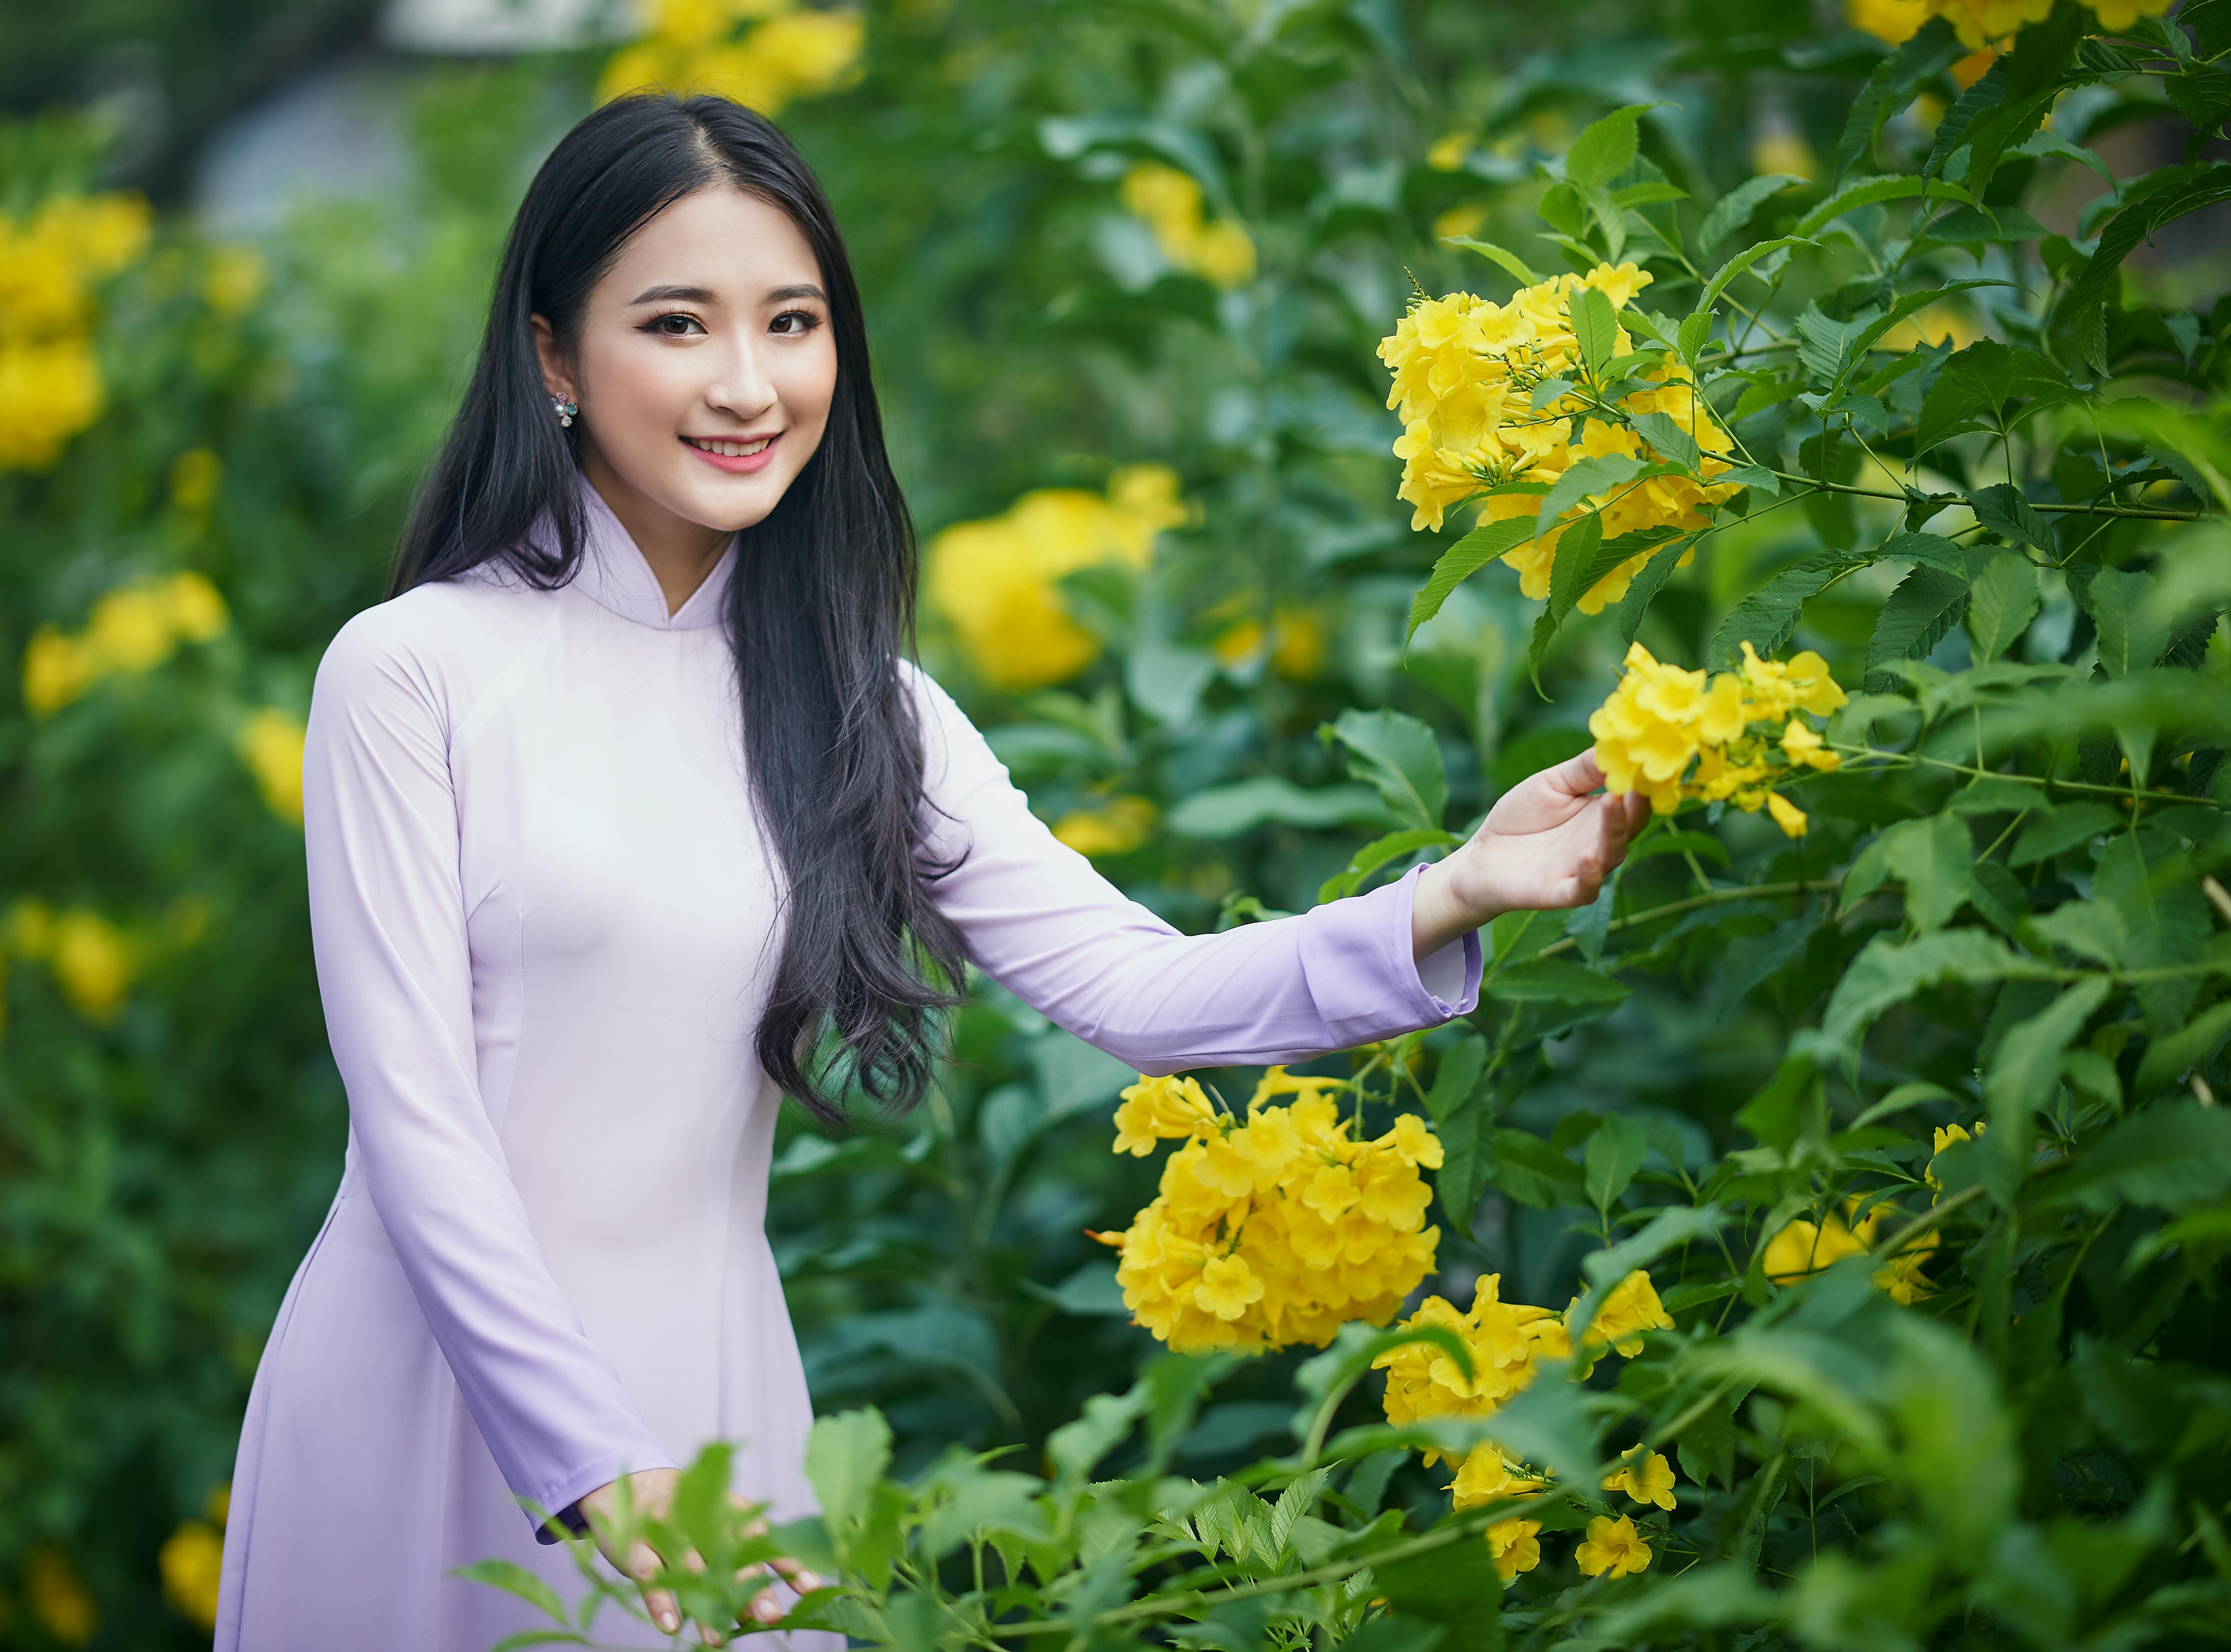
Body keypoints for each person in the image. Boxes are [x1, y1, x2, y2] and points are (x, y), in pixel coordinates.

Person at [213, 93, 1649, 1650]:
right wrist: (600, 1471)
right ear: (554, 356)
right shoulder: (414, 672)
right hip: (434, 1392)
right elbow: (417, 1124)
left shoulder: (861, 707)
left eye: (792, 322)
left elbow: (1135, 985)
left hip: (713, 1404)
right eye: (678, 324)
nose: (748, 383)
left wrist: (1452, 887)